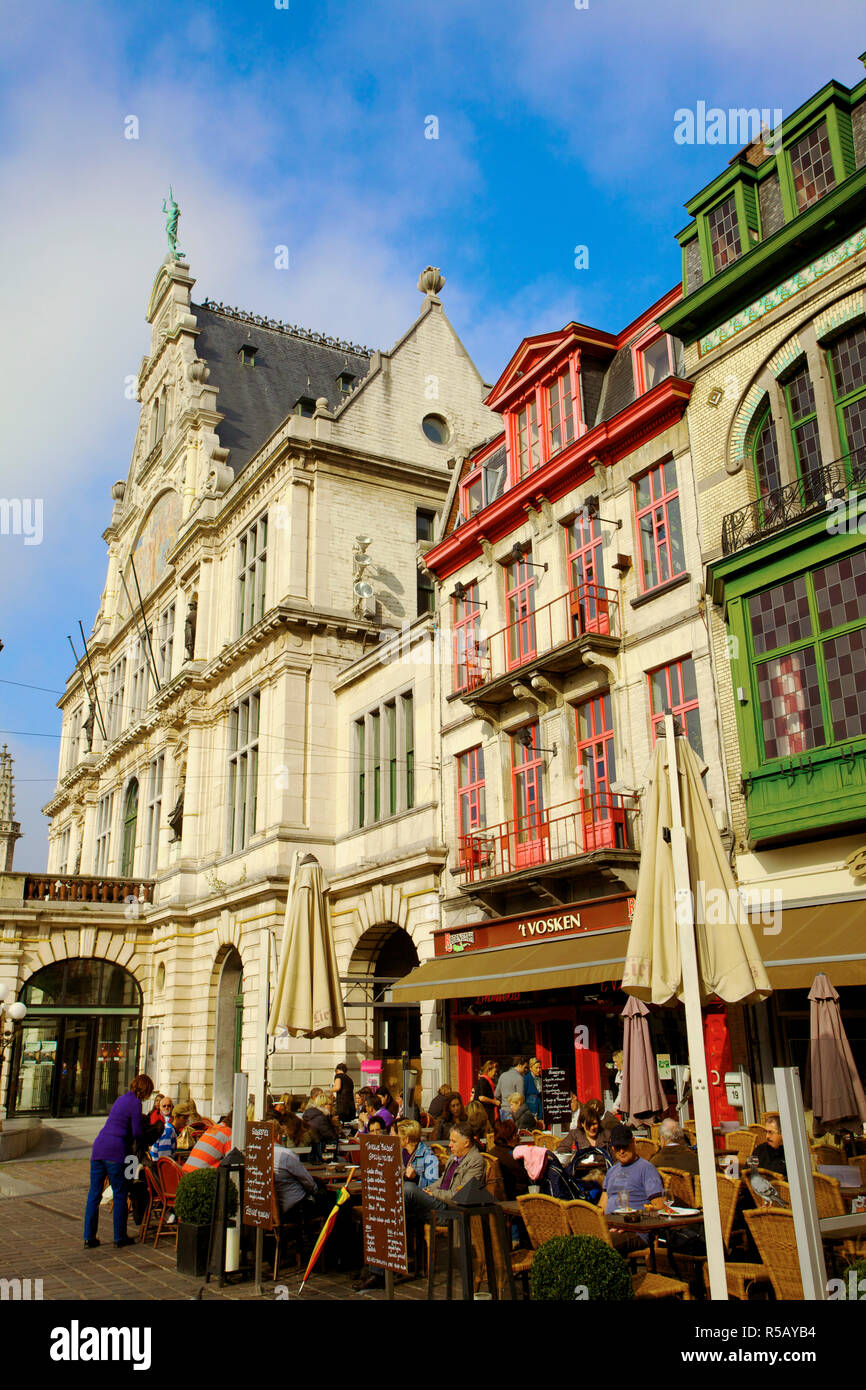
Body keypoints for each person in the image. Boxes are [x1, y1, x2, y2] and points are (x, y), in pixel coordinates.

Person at [84, 1073, 155, 1249]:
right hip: (115, 1151)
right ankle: (119, 1236)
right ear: (145, 1090)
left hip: (99, 1147)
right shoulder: (135, 1103)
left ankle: (89, 1237)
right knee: (120, 1193)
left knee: (94, 1194)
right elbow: (137, 1131)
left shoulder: (121, 1099)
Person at [403, 1122, 487, 1221]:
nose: (450, 1145)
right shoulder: (453, 1157)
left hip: (450, 1208)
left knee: (408, 1188)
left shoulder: (475, 1160)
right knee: (408, 1203)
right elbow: (441, 1181)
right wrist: (427, 1190)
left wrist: (434, 1193)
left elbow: (462, 1195)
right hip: (439, 1201)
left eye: (453, 1141)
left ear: (466, 1143)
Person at [601, 1124, 664, 1214]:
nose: (622, 1151)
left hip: (632, 1222)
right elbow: (602, 1206)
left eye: (625, 1146)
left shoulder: (647, 1169)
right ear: (612, 1148)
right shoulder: (611, 1171)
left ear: (634, 1142)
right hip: (608, 1223)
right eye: (618, 1147)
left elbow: (659, 1206)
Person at [273, 1127, 318, 1216]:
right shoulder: (286, 1155)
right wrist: (315, 1190)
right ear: (278, 1136)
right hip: (294, 1207)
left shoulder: (261, 1154)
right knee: (329, 1199)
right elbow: (308, 1182)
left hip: (272, 1209)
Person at [491, 1120, 530, 1199]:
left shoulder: (492, 1152)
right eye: (516, 1134)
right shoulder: (512, 1156)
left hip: (498, 1194)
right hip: (516, 1195)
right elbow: (525, 1177)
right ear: (512, 1136)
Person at [398, 1119, 439, 1190]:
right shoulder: (399, 1153)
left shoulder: (429, 1156)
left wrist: (416, 1178)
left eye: (399, 1136)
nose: (396, 1138)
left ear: (406, 1139)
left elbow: (433, 1187)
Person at [149, 1095, 178, 1160]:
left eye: (169, 1106)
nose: (166, 1108)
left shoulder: (175, 1119)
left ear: (172, 1107)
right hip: (159, 1154)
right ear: (160, 1107)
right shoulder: (155, 1116)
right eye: (164, 1106)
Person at [474, 1060, 499, 1126]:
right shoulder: (483, 1081)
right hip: (484, 1113)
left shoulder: (485, 1081)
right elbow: (481, 1097)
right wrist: (494, 1102)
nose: (496, 1074)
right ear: (488, 1070)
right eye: (495, 1072)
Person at [524, 1058, 543, 1122]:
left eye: (539, 1068)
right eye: (536, 1068)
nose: (538, 1070)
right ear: (530, 1068)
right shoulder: (526, 1079)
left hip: (540, 1110)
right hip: (531, 1110)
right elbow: (524, 1095)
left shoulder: (541, 1078)